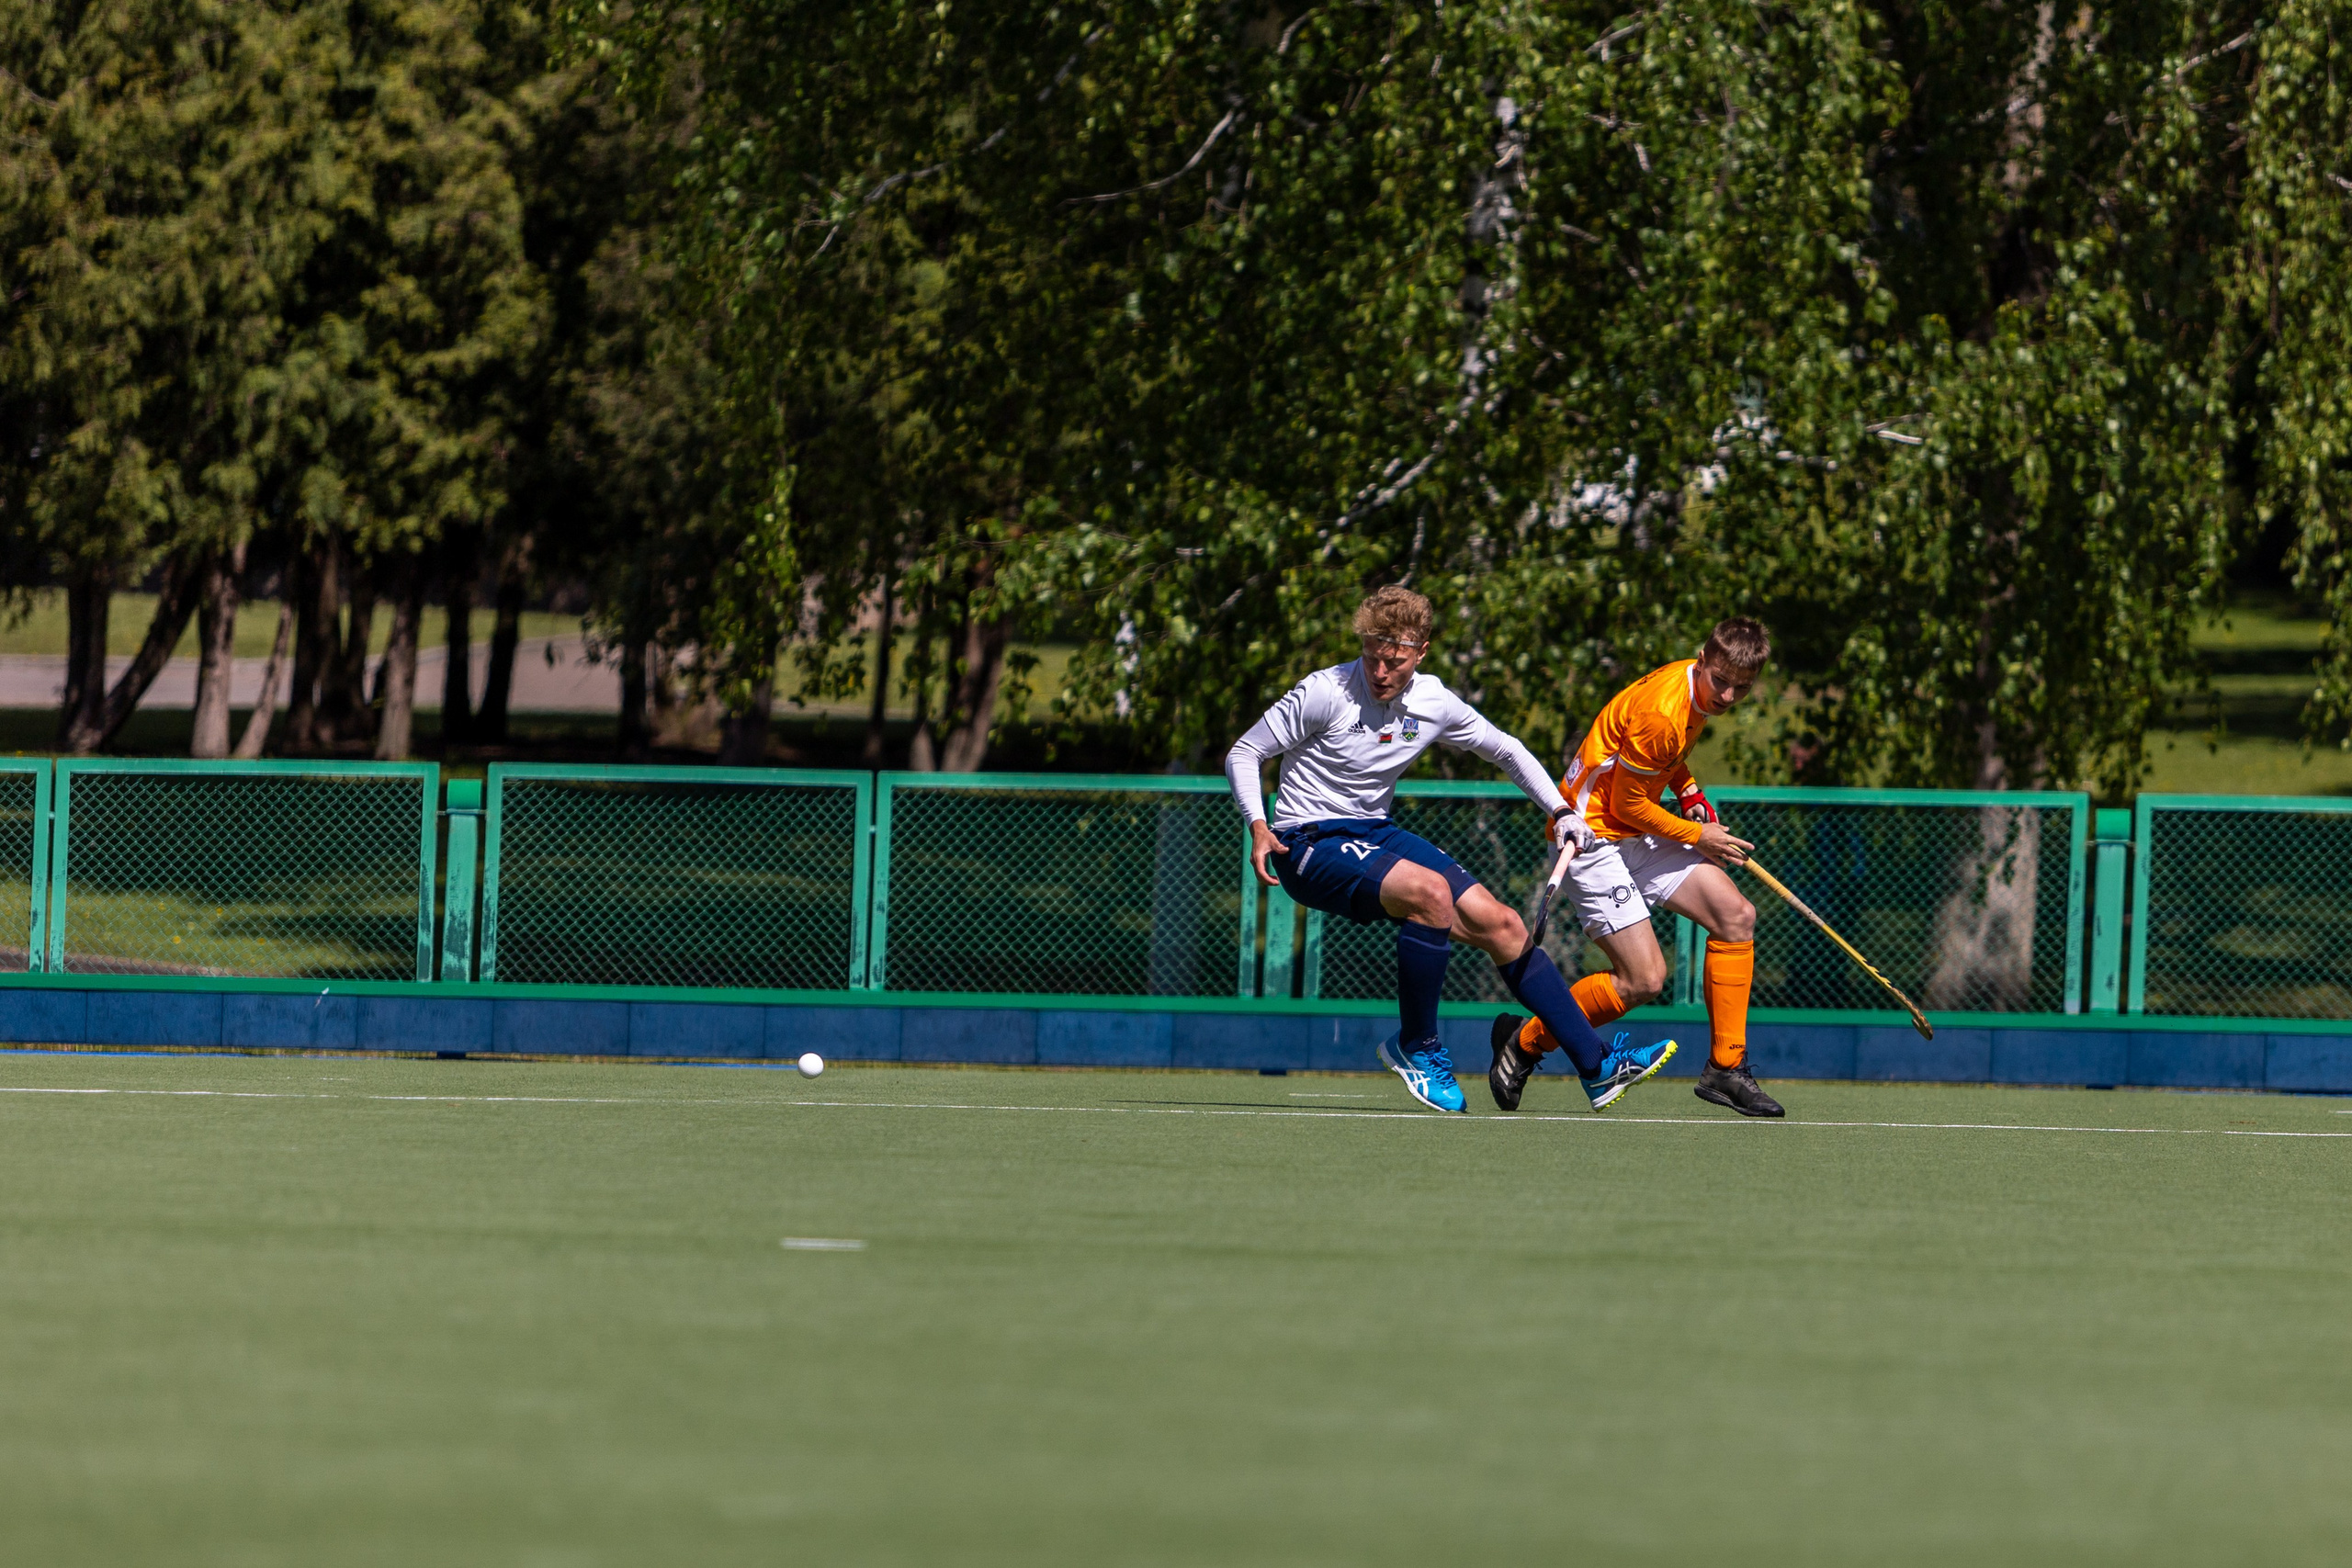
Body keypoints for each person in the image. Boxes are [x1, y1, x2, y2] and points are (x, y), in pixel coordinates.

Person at [1225, 585, 1677, 1113]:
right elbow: (1245, 751)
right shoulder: (1324, 691)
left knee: (1504, 925)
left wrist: (1561, 812)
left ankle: (1596, 1067)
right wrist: (1258, 825)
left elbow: (1507, 750)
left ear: (1421, 652)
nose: (1380, 672)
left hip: (1374, 830)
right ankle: (1416, 1046)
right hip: (1306, 840)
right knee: (1432, 893)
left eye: (1394, 662)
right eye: (1372, 658)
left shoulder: (1433, 701)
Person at [1488, 616, 1786, 1118]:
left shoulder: (1692, 689)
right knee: (1644, 979)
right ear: (1703, 660)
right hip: (1592, 835)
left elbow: (1665, 761)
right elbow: (1625, 805)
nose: (1728, 696)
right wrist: (1698, 834)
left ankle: (1726, 1069)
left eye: (1742, 688)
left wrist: (1689, 792)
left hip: (1633, 829)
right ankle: (1524, 1042)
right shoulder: (1664, 713)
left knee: (1735, 916)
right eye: (1721, 682)